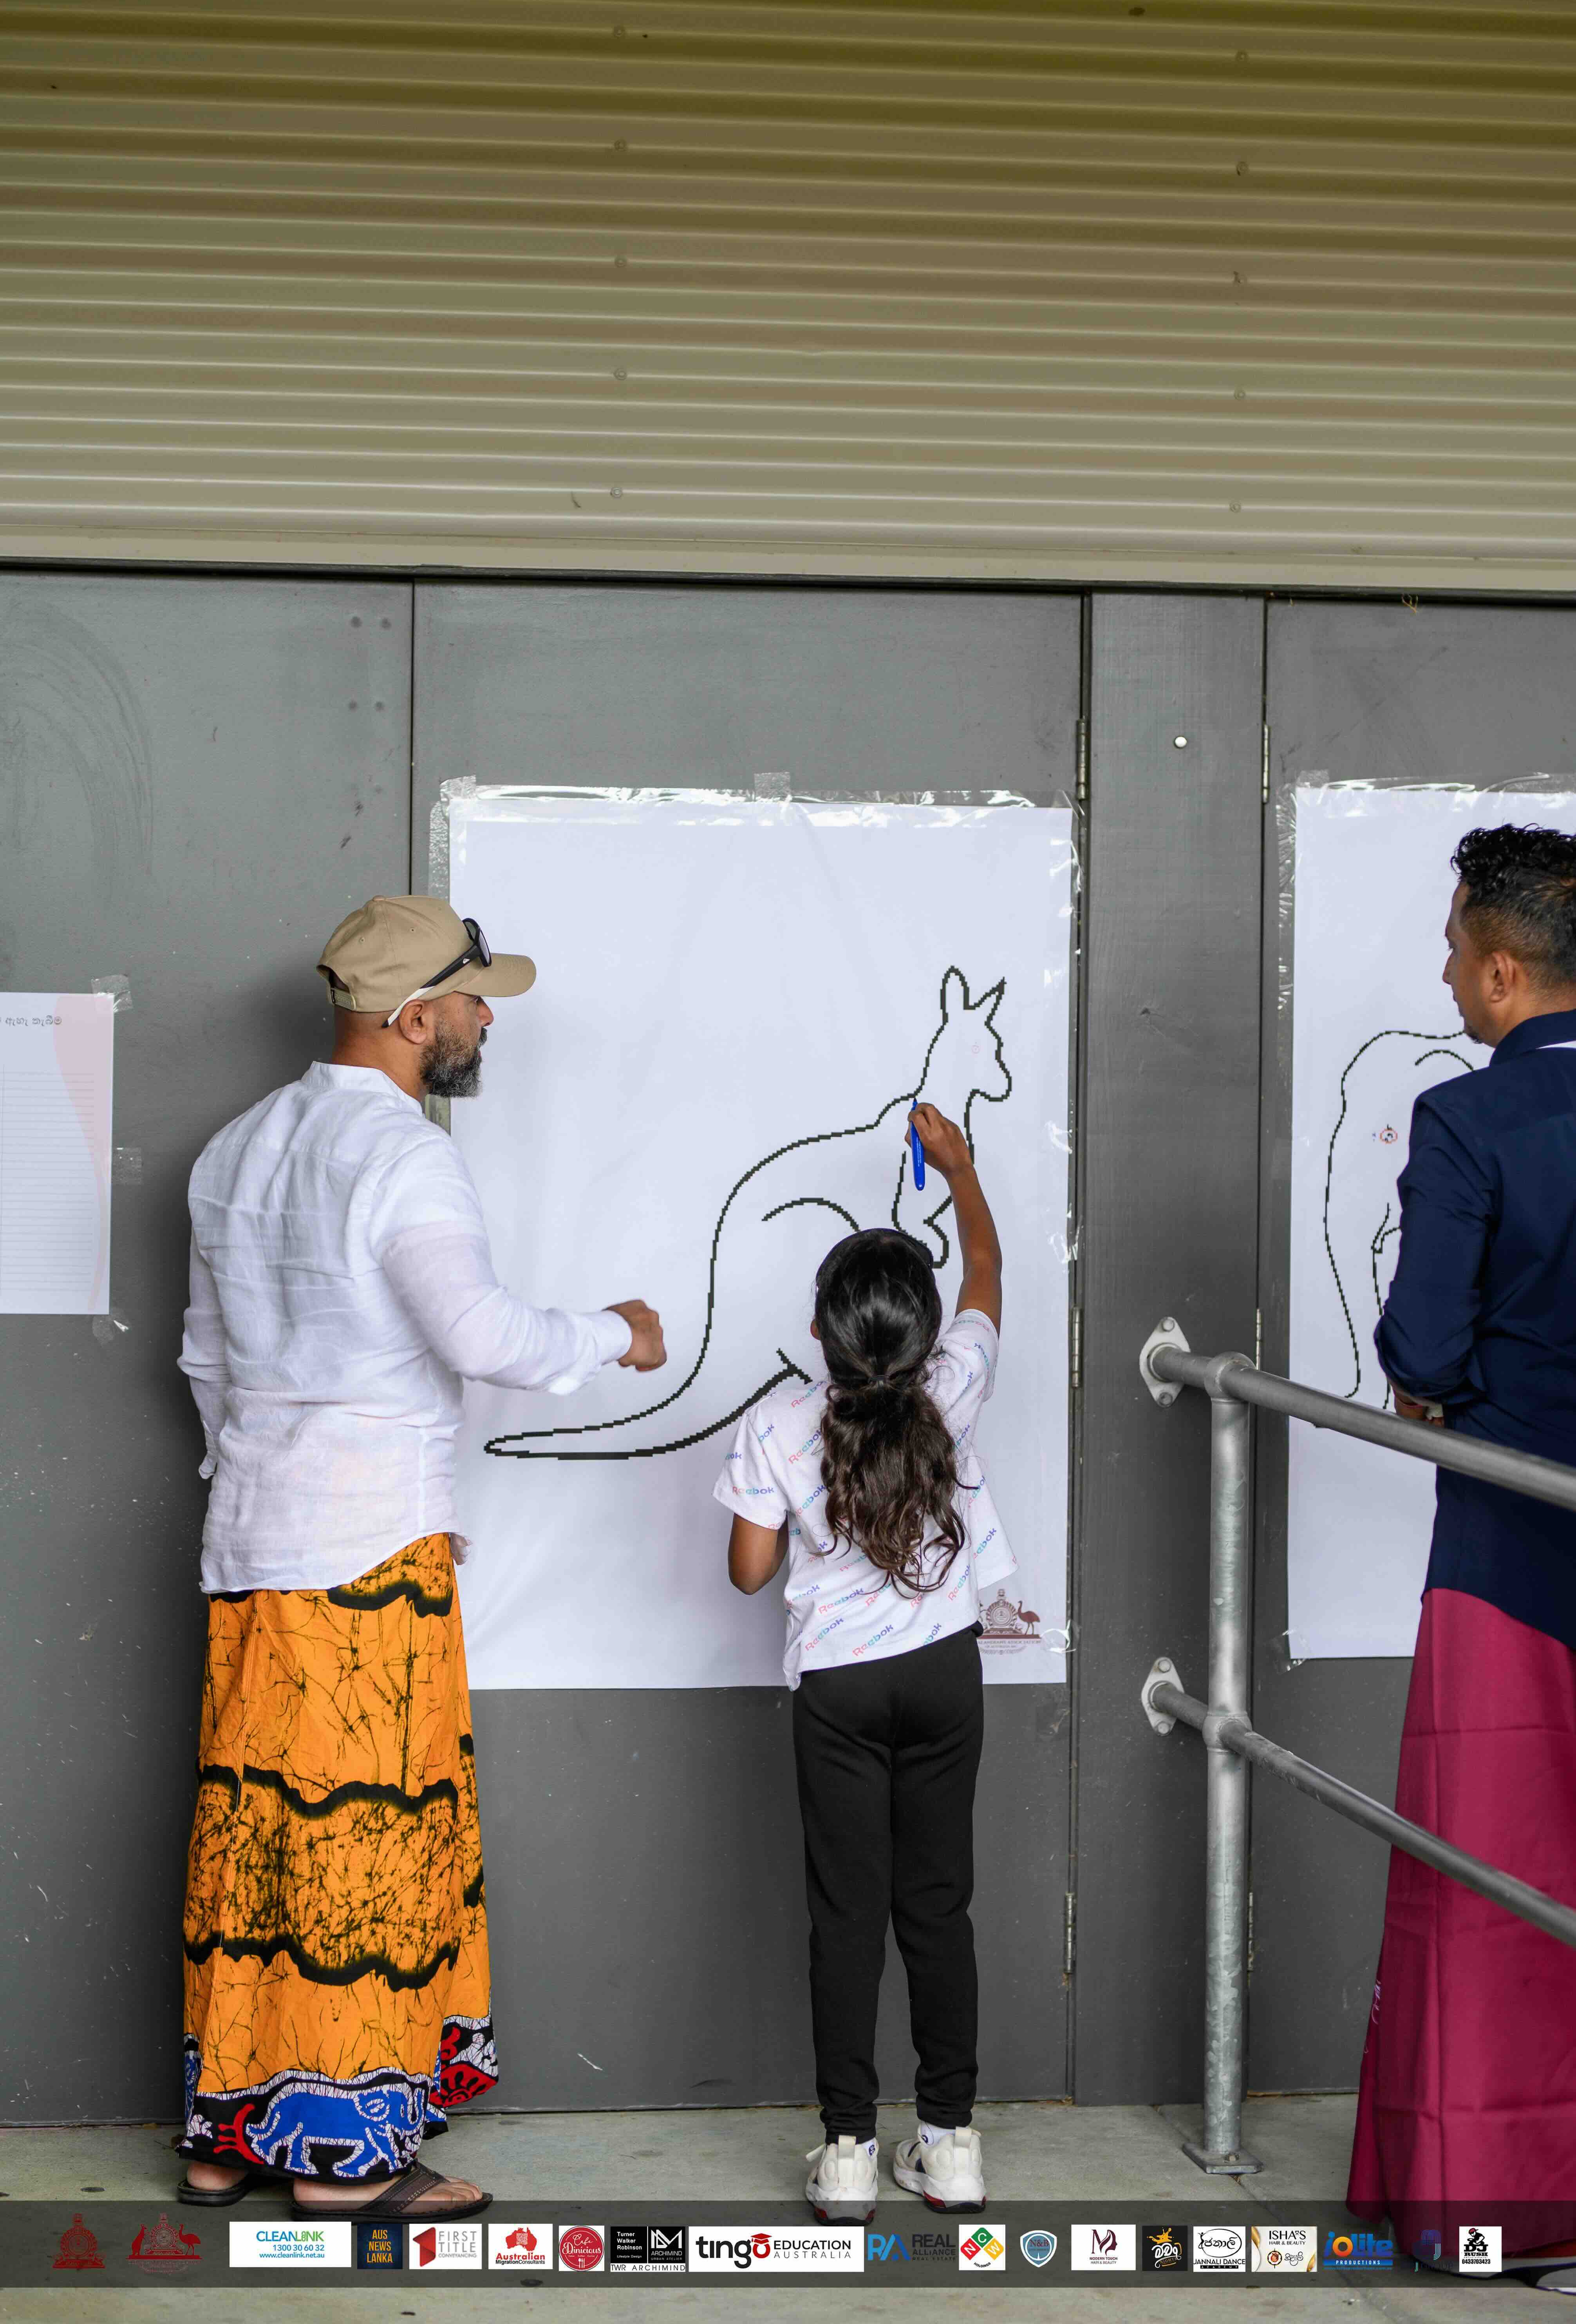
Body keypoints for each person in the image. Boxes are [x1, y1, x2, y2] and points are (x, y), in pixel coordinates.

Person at [175, 896, 665, 2222]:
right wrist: (614, 1333)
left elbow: (209, 1370)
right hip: (368, 1557)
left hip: (251, 1552)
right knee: (363, 1854)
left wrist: (268, 1475)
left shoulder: (230, 1153)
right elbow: (487, 1338)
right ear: (409, 1018)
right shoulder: (404, 1157)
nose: (483, 1017)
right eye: (469, 998)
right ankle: (345, 2167)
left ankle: (231, 2136)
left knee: (260, 1840)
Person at [717, 1104, 1014, 2226]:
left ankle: (847, 2153)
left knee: (847, 1917)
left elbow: (750, 1574)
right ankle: (952, 2147)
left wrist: (784, 1513)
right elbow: (986, 1262)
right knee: (938, 1909)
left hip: (837, 1695)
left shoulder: (780, 1425)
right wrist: (963, 1170)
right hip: (943, 1676)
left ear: (818, 1330)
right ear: (929, 1335)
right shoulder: (956, 1387)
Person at [1348, 825, 1576, 2267]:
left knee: (1490, 1877)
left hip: (1512, 1539)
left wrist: (1436, 1374)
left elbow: (1425, 1342)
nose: (1443, 971)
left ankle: (1490, 2207)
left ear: (1504, 969)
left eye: (1451, 949)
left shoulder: (1470, 1123)